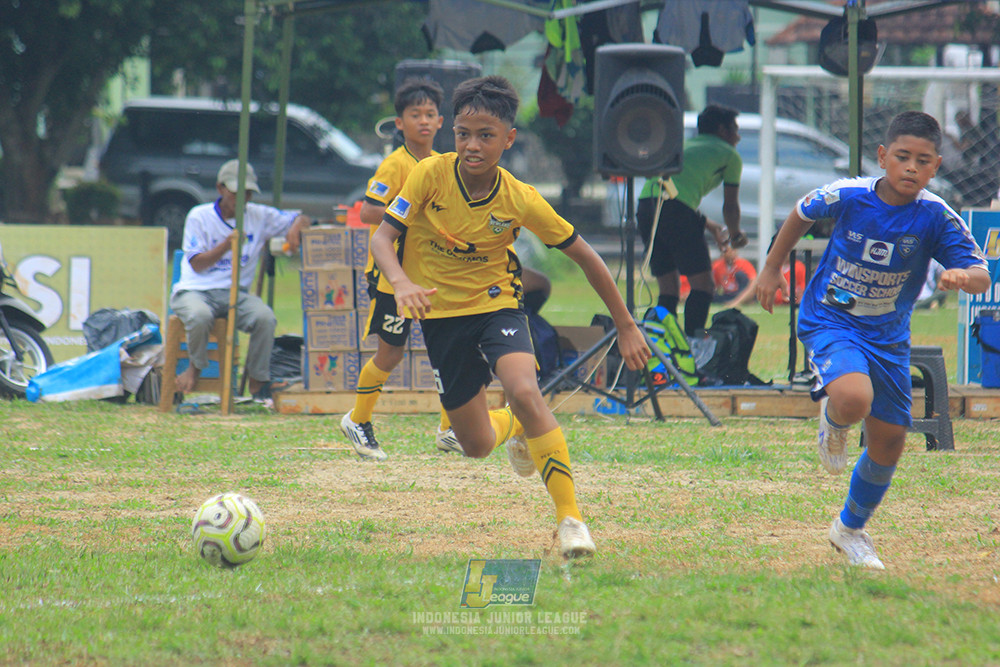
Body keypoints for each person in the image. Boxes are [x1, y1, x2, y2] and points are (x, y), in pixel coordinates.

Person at [370, 75, 651, 558]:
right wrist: (401, 282)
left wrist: (626, 325)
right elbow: (381, 237)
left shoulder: (520, 197)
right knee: (476, 444)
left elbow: (586, 257)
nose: (472, 146)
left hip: (498, 304)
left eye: (486, 135)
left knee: (524, 389)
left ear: (509, 139)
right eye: (462, 134)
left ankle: (571, 521)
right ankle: (515, 426)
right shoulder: (428, 175)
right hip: (441, 319)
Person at [755, 111, 990, 569]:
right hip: (832, 319)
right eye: (902, 157)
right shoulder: (850, 195)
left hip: (888, 337)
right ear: (882, 157)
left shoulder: (936, 216)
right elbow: (801, 212)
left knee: (889, 442)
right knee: (853, 397)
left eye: (923, 162)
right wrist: (771, 267)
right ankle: (835, 420)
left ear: (936, 167)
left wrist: (964, 275)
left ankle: (850, 530)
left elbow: (982, 273)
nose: (910, 168)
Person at [340, 77, 448, 461]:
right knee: (390, 355)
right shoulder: (395, 164)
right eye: (414, 114)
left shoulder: (440, 164)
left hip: (431, 272)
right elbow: (368, 210)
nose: (423, 120)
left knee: (448, 347)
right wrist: (408, 216)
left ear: (440, 122)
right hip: (392, 276)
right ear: (399, 123)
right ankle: (358, 419)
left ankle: (449, 428)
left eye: (430, 114)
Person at [170, 160, 311, 401]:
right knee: (200, 316)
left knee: (264, 318)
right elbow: (197, 264)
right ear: (220, 188)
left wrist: (296, 227)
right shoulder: (199, 216)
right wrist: (227, 245)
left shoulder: (259, 215)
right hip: (195, 290)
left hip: (236, 293)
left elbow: (302, 217)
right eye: (236, 191)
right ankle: (196, 367)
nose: (242, 197)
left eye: (247, 192)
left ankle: (258, 380)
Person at [636, 104, 748, 337]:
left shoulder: (684, 146)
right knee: (703, 285)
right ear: (721, 130)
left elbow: (671, 196)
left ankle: (663, 346)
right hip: (675, 210)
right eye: (734, 130)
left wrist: (709, 224)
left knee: (668, 287)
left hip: (646, 205)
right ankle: (694, 347)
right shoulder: (730, 156)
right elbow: (730, 205)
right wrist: (736, 235)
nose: (737, 137)